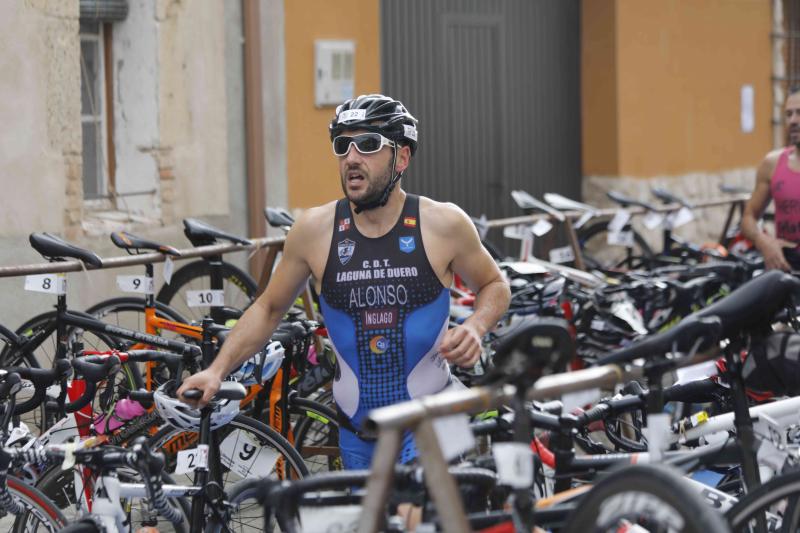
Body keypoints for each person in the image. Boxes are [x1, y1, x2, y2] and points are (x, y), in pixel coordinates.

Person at [178, 93, 511, 469]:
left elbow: (495, 284)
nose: (352, 158)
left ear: (401, 157)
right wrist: (216, 370)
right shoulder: (313, 230)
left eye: (368, 145)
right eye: (342, 146)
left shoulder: (444, 223)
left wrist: (476, 326)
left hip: (432, 418)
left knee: (417, 516)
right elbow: (269, 308)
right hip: (357, 429)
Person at [742, 89, 800, 271]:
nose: (793, 121)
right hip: (785, 268)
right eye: (788, 114)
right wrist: (764, 242)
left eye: (799, 113)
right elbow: (748, 217)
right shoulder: (772, 164)